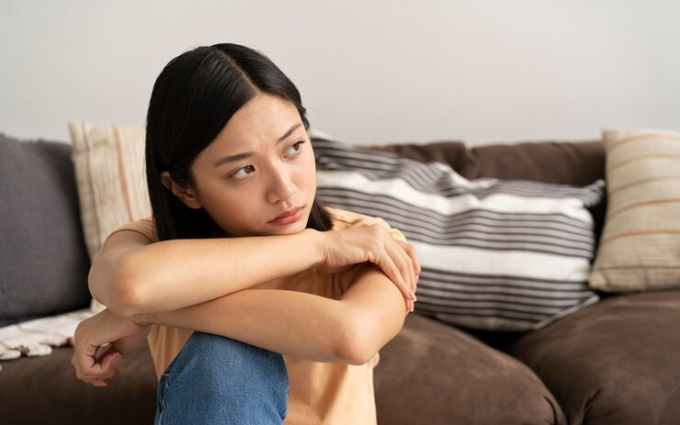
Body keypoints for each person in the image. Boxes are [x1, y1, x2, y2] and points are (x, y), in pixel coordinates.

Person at [71, 43, 420, 424]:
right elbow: (129, 286)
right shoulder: (153, 244)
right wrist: (316, 246)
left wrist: (147, 313)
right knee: (226, 356)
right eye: (243, 170)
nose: (284, 189)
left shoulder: (369, 242)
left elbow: (351, 336)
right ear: (185, 190)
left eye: (293, 147)